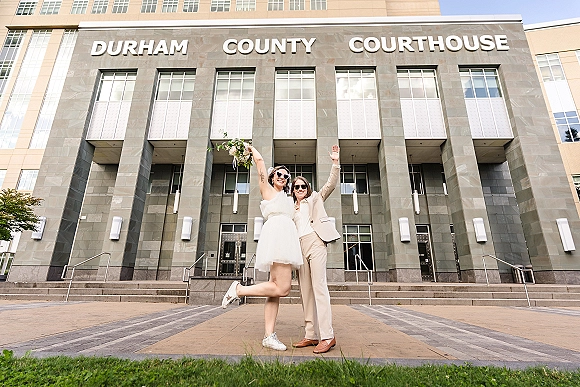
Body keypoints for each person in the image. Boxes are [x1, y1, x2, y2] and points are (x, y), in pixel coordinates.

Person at [221, 145, 302, 352]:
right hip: (278, 236)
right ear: (273, 177)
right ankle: (239, 290)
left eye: (286, 176)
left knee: (274, 291)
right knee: (283, 288)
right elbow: (260, 166)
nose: (283, 177)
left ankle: (269, 335)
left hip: (285, 236)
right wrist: (251, 149)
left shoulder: (287, 197)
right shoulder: (268, 191)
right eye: (279, 174)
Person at [291, 144, 341, 354]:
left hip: (316, 242)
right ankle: (311, 335)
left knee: (319, 288)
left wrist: (335, 162)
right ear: (292, 190)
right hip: (299, 247)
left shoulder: (315, 198)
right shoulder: (290, 207)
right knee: (305, 292)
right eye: (296, 187)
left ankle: (327, 336)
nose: (300, 189)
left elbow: (330, 184)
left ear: (308, 188)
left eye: (303, 186)